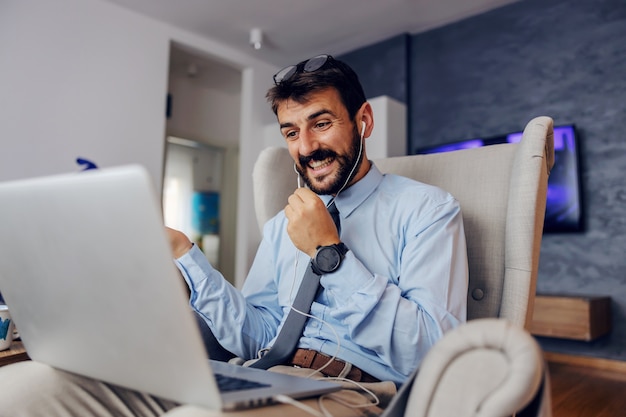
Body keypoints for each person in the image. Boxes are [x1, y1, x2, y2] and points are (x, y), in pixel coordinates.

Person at [0, 54, 468, 417]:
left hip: (352, 390)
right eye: (291, 131)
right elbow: (258, 336)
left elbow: (429, 352)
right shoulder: (279, 227)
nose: (305, 148)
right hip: (257, 376)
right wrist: (184, 253)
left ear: (362, 121)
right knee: (25, 388)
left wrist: (331, 255)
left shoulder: (427, 210)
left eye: (321, 124)